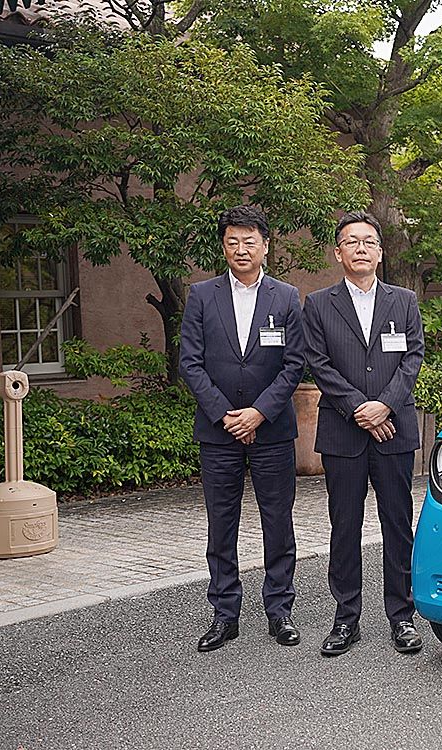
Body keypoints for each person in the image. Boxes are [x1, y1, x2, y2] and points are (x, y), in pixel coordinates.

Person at [179, 205, 306, 652]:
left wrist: (258, 413)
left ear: (265, 246)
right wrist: (226, 415)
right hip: (218, 432)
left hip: (272, 431)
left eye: (249, 241)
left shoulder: (286, 297)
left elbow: (294, 364)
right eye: (232, 241)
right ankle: (224, 614)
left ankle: (280, 610)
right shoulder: (201, 295)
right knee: (221, 524)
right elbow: (190, 363)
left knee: (278, 521)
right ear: (223, 247)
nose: (241, 249)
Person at [303, 210, 425, 656]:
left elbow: (412, 357)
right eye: (351, 242)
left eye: (369, 242)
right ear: (338, 253)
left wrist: (384, 405)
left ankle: (402, 616)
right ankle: (345, 618)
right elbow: (317, 362)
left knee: (398, 525)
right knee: (344, 527)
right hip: (344, 431)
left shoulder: (404, 300)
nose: (361, 248)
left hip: (395, 429)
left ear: (380, 252)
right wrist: (359, 408)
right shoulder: (318, 304)